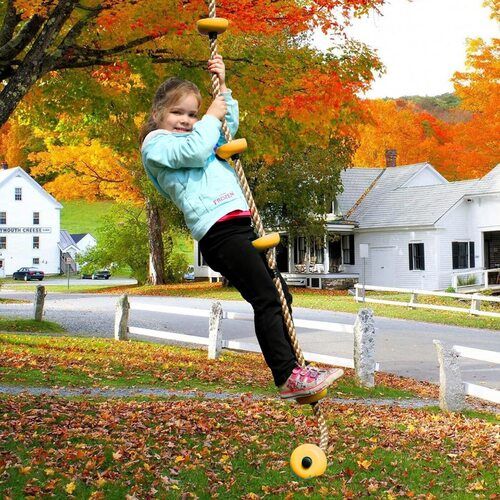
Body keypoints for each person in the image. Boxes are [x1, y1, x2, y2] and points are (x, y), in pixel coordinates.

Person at [140, 55, 343, 399]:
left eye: (192, 114)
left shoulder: (204, 135)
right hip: (218, 231)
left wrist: (224, 85)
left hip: (241, 224)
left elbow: (224, 127)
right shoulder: (157, 144)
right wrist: (208, 117)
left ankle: (296, 370)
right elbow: (193, 149)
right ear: (158, 113)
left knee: (280, 295)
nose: (186, 121)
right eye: (178, 112)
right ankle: (286, 377)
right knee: (265, 297)